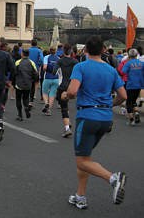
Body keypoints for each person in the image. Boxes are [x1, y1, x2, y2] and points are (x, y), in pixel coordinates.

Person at [63, 36, 127, 209]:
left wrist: (65, 94)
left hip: (88, 116)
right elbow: (123, 96)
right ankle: (80, 196)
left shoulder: (81, 66)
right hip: (106, 118)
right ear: (103, 50)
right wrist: (109, 105)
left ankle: (113, 179)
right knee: (86, 158)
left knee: (81, 161)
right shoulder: (111, 70)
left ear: (85, 51)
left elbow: (73, 91)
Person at [53, 44, 78, 137]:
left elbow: (54, 72)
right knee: (65, 105)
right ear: (71, 51)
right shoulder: (75, 62)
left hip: (62, 86)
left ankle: (67, 128)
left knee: (63, 107)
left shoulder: (60, 61)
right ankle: (68, 122)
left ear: (63, 51)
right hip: (71, 86)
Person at [13, 49, 38, 121]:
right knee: (26, 98)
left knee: (18, 99)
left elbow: (14, 73)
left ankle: (20, 115)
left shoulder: (18, 62)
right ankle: (26, 107)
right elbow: (36, 73)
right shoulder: (32, 62)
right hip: (28, 83)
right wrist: (33, 80)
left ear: (22, 54)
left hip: (19, 83)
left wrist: (13, 82)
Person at [121, 48, 144, 126]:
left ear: (129, 55)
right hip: (139, 84)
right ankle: (137, 113)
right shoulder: (141, 63)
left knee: (129, 102)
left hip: (131, 84)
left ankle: (131, 119)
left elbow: (123, 72)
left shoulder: (128, 63)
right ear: (136, 55)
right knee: (134, 100)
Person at [42, 47, 59, 115]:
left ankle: (46, 103)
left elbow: (45, 67)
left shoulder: (46, 57)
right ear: (55, 51)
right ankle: (49, 110)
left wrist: (44, 70)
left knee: (45, 92)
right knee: (52, 93)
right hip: (56, 77)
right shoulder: (58, 58)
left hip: (48, 77)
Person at [28, 39, 44, 105]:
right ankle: (31, 99)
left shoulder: (28, 50)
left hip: (28, 68)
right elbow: (42, 59)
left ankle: (28, 97)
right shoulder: (39, 50)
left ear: (31, 44)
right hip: (35, 69)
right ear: (36, 44)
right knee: (34, 83)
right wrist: (38, 64)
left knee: (28, 83)